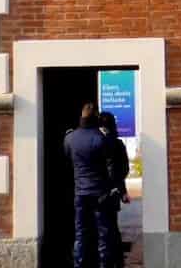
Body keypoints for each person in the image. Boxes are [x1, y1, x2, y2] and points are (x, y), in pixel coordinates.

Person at [63, 103, 114, 268]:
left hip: (80, 192)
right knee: (103, 233)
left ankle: (79, 264)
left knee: (80, 233)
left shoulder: (69, 138)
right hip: (99, 192)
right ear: (96, 118)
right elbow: (110, 163)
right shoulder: (101, 138)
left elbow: (68, 158)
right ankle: (104, 264)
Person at [98, 112, 131, 268]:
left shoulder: (96, 142)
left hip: (97, 190)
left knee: (99, 227)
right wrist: (121, 189)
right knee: (112, 226)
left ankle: (104, 260)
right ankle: (117, 261)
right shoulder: (118, 144)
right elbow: (124, 169)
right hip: (113, 191)